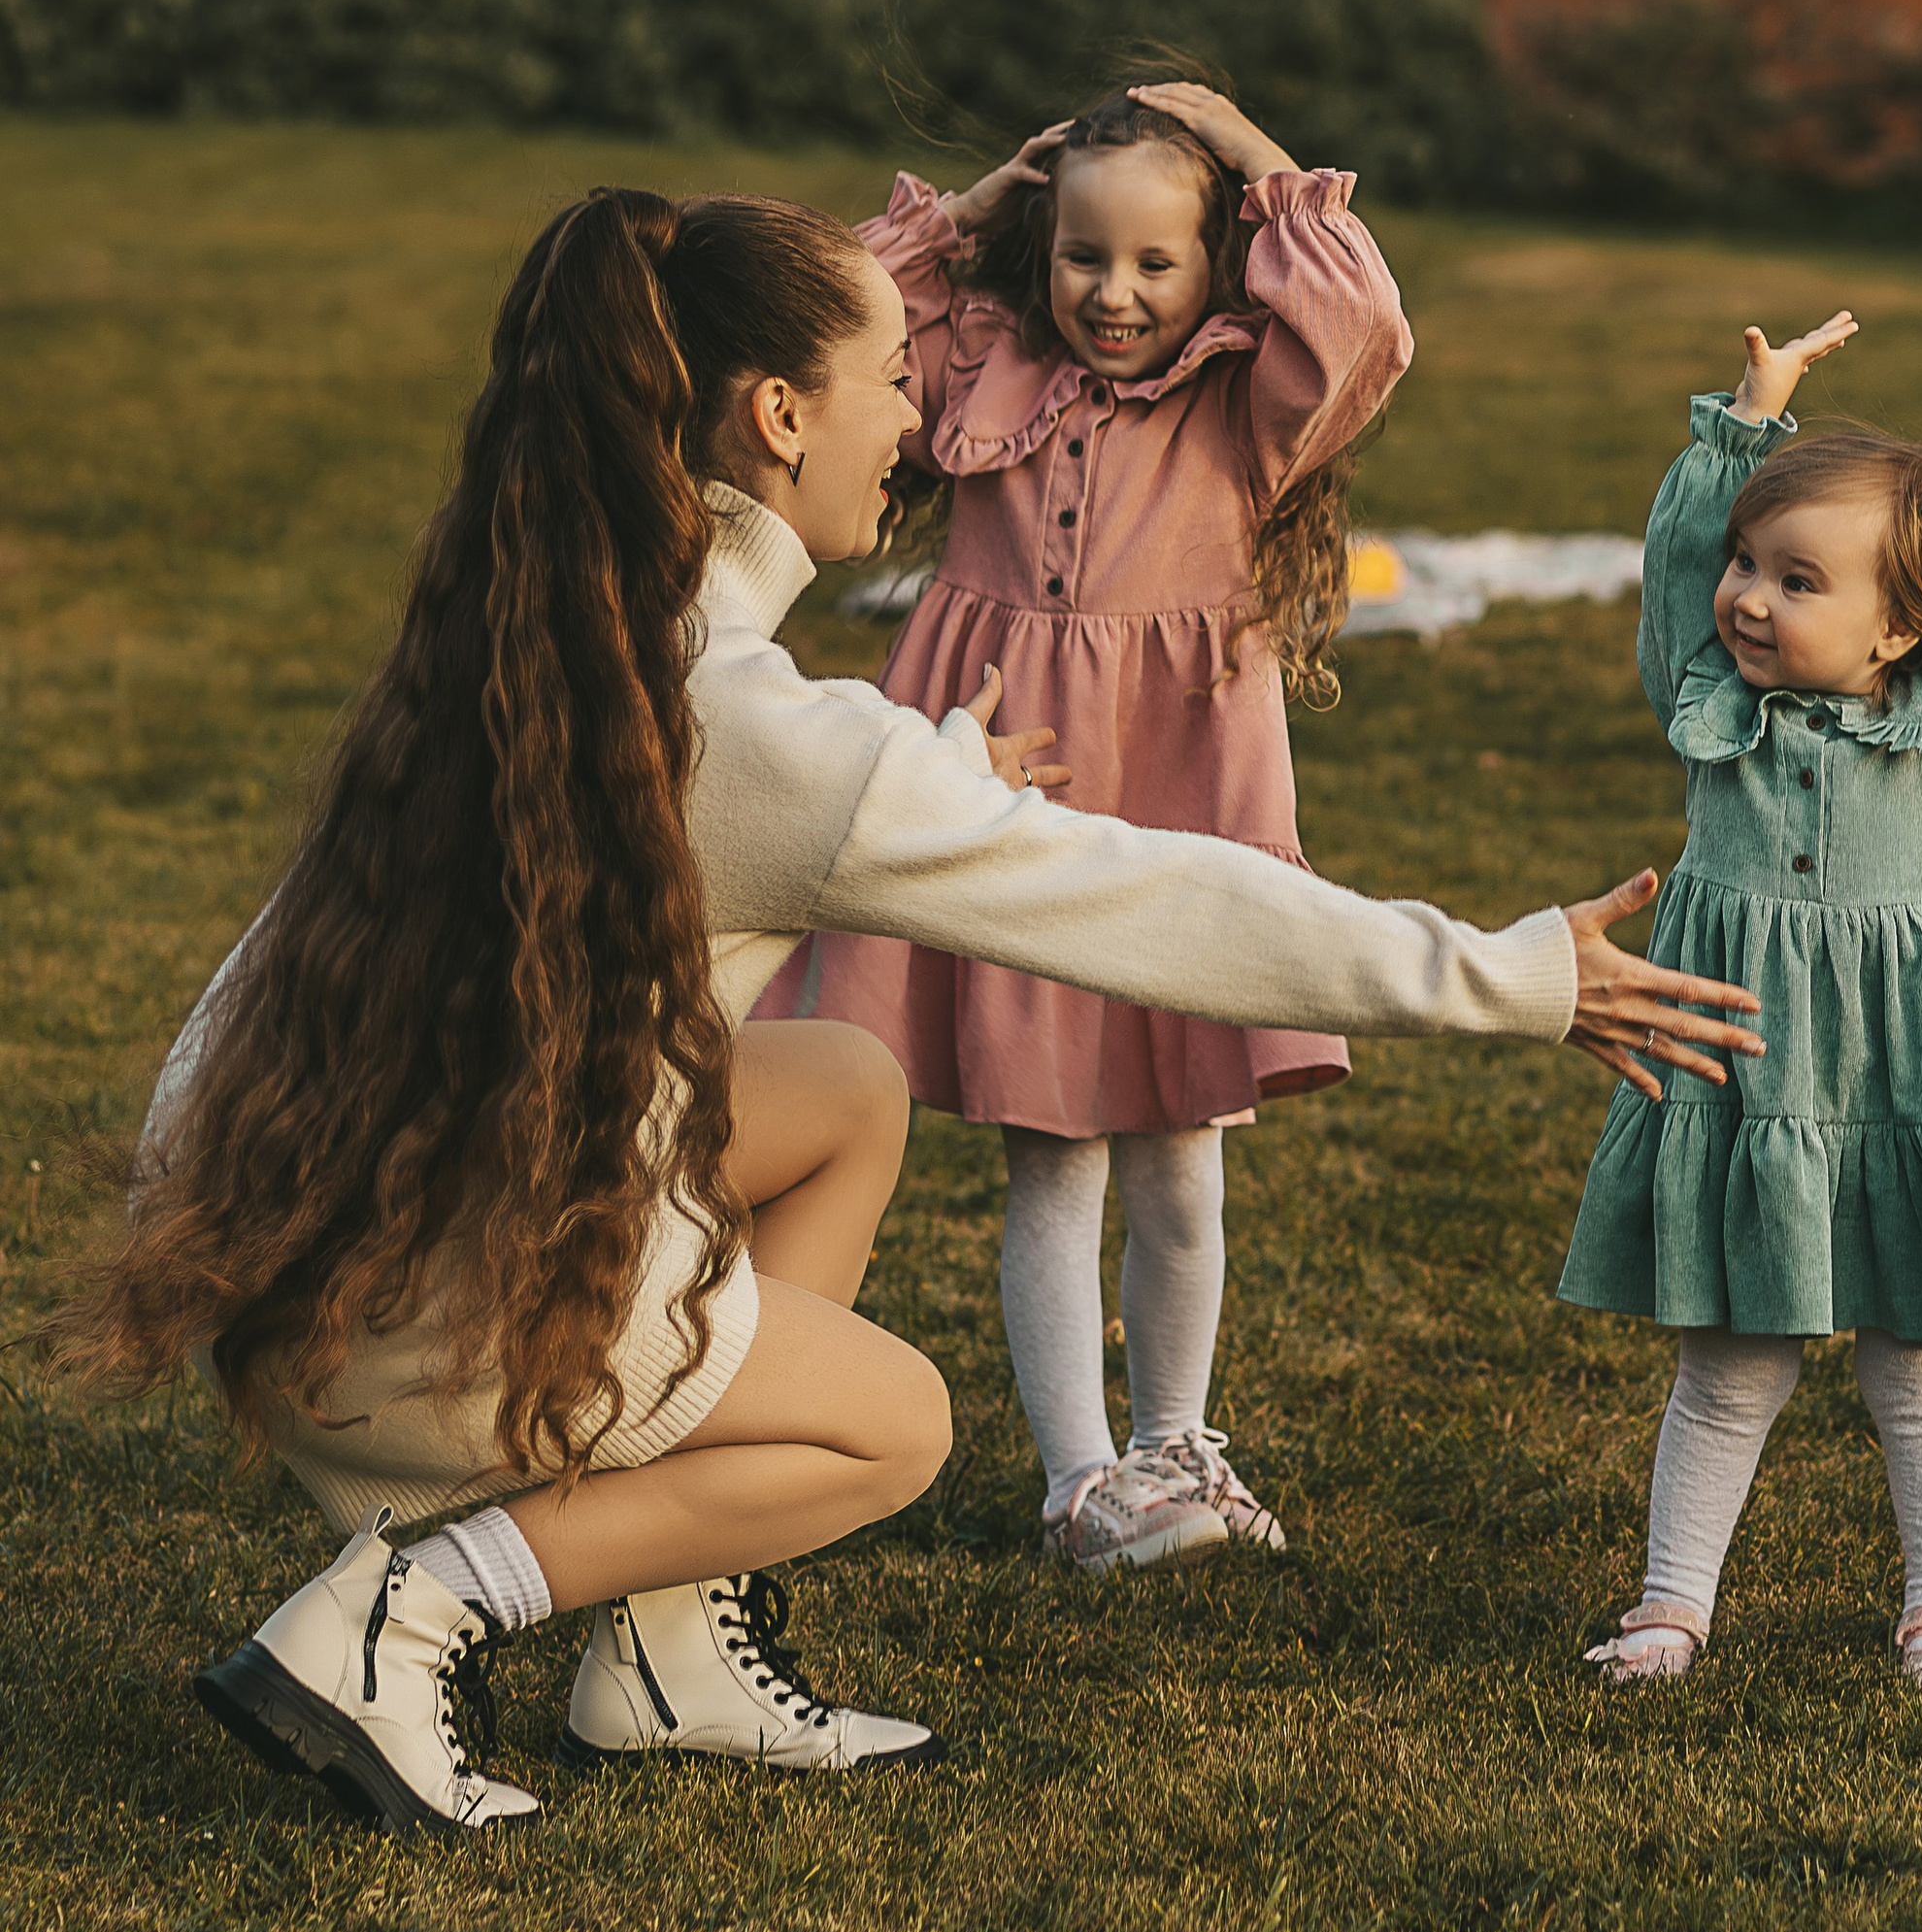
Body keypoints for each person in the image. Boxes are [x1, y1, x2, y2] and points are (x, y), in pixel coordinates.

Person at [63, 185, 1764, 1842]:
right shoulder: (758, 728)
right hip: (414, 1329)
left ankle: (665, 1653)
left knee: (842, 1088)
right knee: (888, 1422)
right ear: (777, 416)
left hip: (289, 1255)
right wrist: (1508, 971)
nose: (920, 417)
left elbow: (763, 803)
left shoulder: (552, 619)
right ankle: (405, 1613)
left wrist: (935, 771)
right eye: (891, 377)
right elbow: (1166, 901)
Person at [770, 79, 1409, 1570]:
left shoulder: (1244, 400)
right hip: (1016, 796)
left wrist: (1254, 158)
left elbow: (1369, 321)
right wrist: (967, 212)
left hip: (1181, 803)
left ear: (1217, 260)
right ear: (1040, 245)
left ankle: (1176, 1444)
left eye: (1154, 261)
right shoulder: (982, 363)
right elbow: (832, 326)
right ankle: (1079, 1481)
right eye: (1082, 255)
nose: (1114, 292)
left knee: (1182, 1152)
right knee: (1051, 1153)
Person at [1561, 308, 1922, 1691]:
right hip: (1747, 1077)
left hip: (1909, 1079)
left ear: (1900, 630)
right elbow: (1674, 569)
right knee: (1729, 1364)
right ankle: (1669, 1606)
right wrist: (1744, 428)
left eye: (1798, 580)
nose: (1748, 599)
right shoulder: (1710, 705)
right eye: (1749, 564)